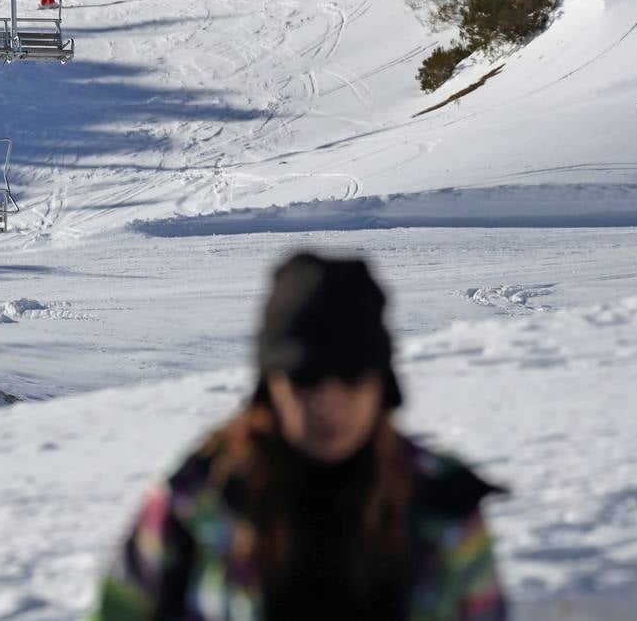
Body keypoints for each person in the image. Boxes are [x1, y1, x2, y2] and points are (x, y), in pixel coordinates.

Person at [91, 253, 507, 621]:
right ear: (269, 384)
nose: (328, 402)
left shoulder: (443, 506)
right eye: (304, 377)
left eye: (350, 373)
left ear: (383, 383)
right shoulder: (198, 499)